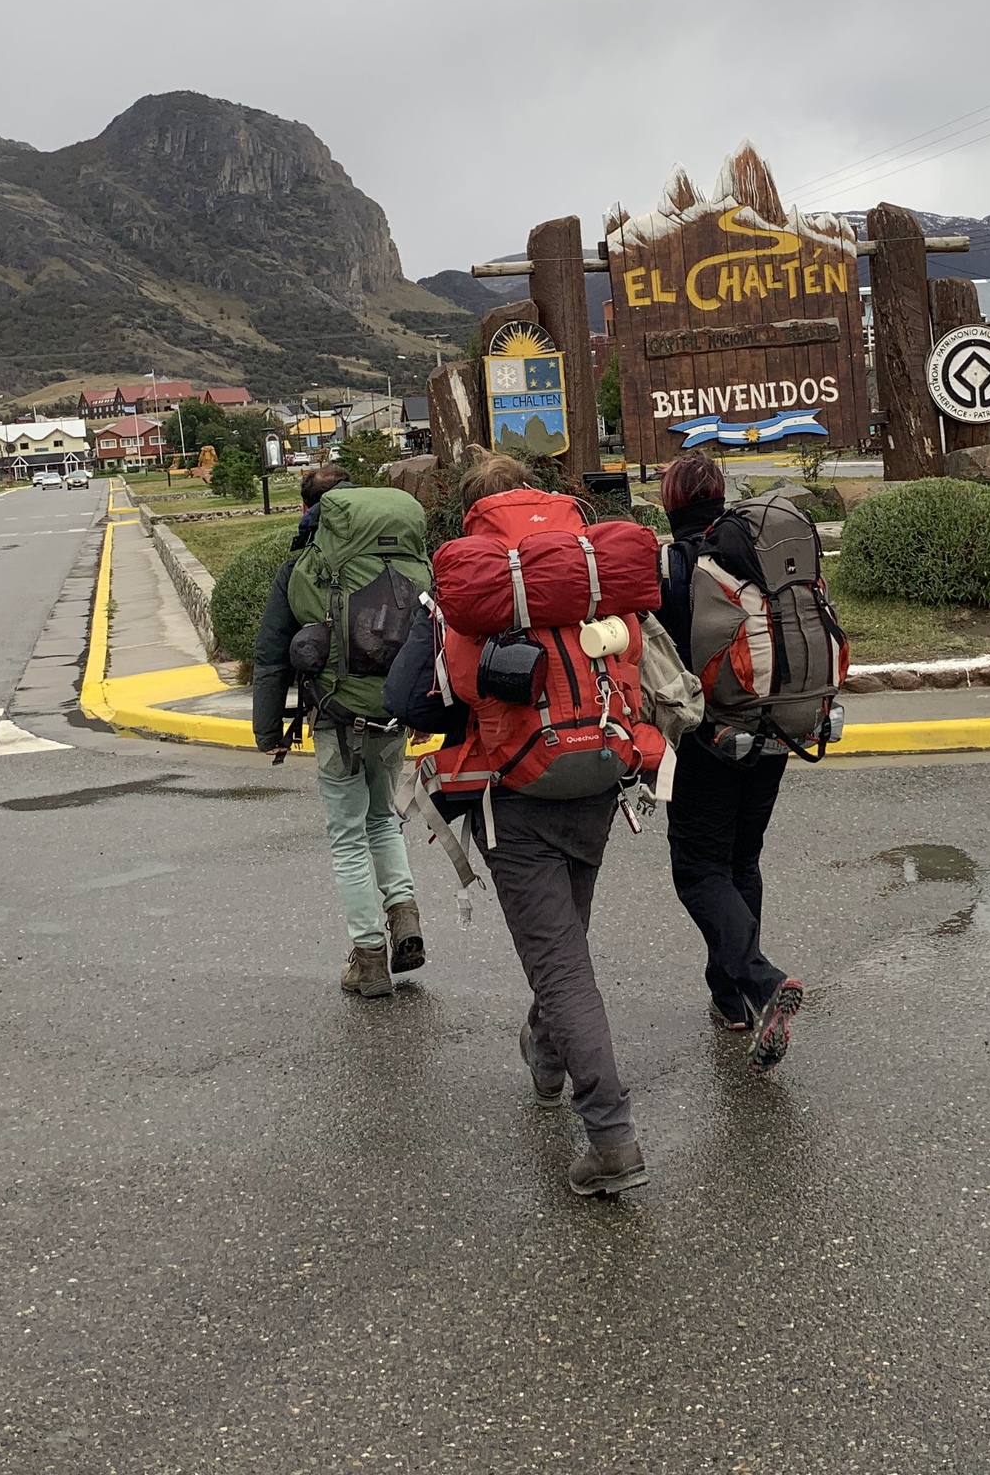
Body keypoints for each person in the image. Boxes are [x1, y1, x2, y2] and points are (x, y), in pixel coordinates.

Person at [385, 451, 650, 1198]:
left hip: (514, 794)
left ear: (472, 517)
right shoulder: (586, 573)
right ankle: (546, 1049)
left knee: (560, 959)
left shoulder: (460, 589)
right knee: (564, 939)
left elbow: (410, 698)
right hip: (598, 775)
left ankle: (610, 1135)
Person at [252, 463, 425, 999]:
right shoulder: (407, 556)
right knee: (383, 820)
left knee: (349, 837)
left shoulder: (304, 566)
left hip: (336, 717)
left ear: (313, 511)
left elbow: (271, 655)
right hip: (395, 714)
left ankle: (369, 957)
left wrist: (270, 731)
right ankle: (406, 915)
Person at [656, 453, 805, 1067]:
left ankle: (759, 981)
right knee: (741, 859)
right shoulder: (760, 553)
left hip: (709, 735)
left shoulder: (676, 564)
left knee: (697, 868)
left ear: (671, 502)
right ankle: (731, 998)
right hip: (779, 726)